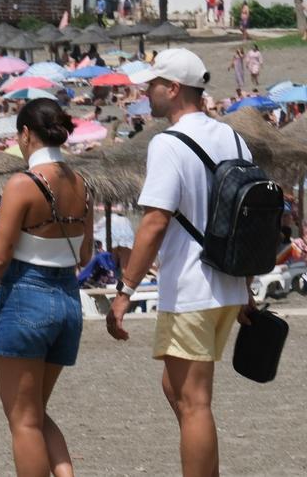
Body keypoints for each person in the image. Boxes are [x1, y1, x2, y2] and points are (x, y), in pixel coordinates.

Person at [109, 48, 256, 477]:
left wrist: (125, 291)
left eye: (152, 85)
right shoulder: (234, 138)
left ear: (173, 89)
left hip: (191, 286)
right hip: (226, 283)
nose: (146, 93)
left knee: (194, 402)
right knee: (176, 388)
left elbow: (154, 221)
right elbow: (246, 219)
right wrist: (245, 287)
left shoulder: (168, 143)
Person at [0, 98, 92, 476]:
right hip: (68, 302)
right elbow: (85, 254)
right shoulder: (83, 184)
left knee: (24, 421)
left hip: (27, 299)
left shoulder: (22, 184)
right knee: (36, 414)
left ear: (26, 135)